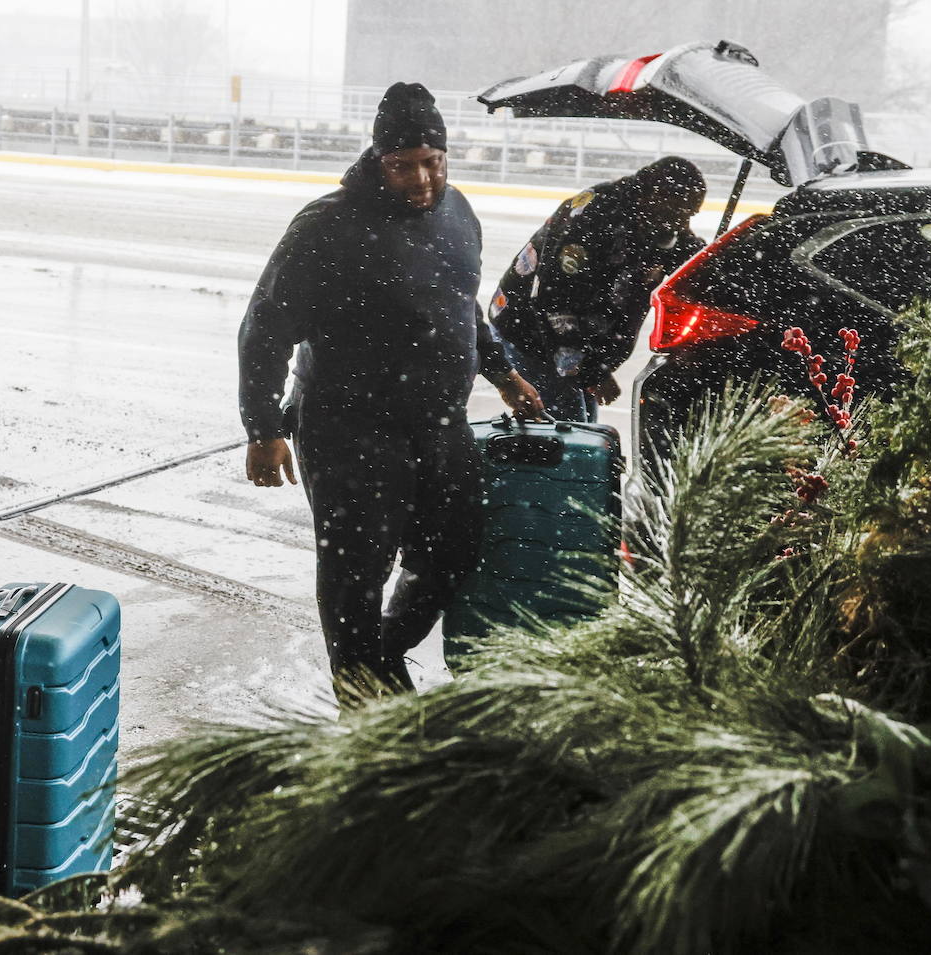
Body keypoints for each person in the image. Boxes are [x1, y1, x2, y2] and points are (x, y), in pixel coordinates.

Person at [237, 82, 541, 707]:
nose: (421, 179)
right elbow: (264, 330)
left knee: (452, 553)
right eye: (403, 166)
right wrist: (263, 429)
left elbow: (462, 308)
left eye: (432, 161)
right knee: (356, 573)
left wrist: (503, 373)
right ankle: (359, 696)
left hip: (438, 421)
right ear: (379, 160)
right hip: (349, 428)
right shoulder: (329, 226)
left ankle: (379, 657)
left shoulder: (458, 212)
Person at [488, 156, 708, 421]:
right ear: (655, 195)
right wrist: (594, 371)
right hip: (532, 336)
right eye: (681, 212)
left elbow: (690, 256)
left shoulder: (658, 221)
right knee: (565, 437)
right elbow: (555, 301)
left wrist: (715, 264)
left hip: (576, 348)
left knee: (583, 430)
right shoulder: (594, 216)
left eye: (690, 215)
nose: (683, 223)